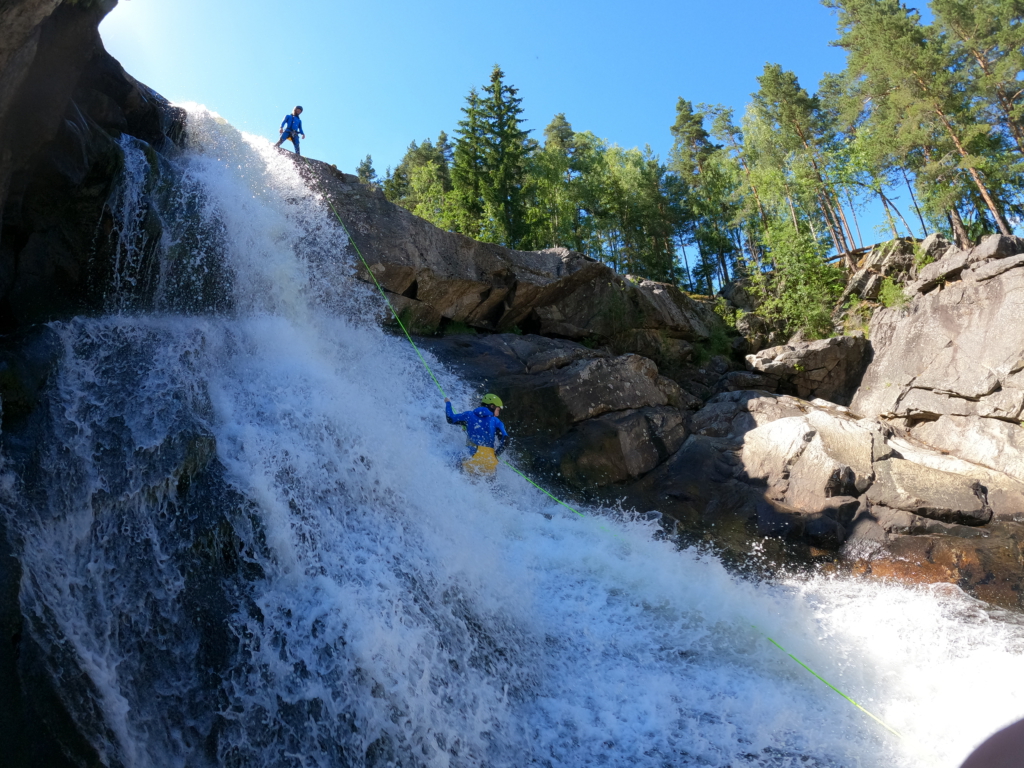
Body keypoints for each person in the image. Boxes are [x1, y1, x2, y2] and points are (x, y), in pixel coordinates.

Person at [445, 394, 508, 476]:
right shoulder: (496, 421)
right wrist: (496, 454)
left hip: (471, 455)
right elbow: (506, 440)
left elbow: (450, 418)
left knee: (450, 460)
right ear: (492, 406)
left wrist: (448, 403)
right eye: (498, 410)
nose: (498, 414)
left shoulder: (469, 415)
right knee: (489, 484)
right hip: (489, 460)